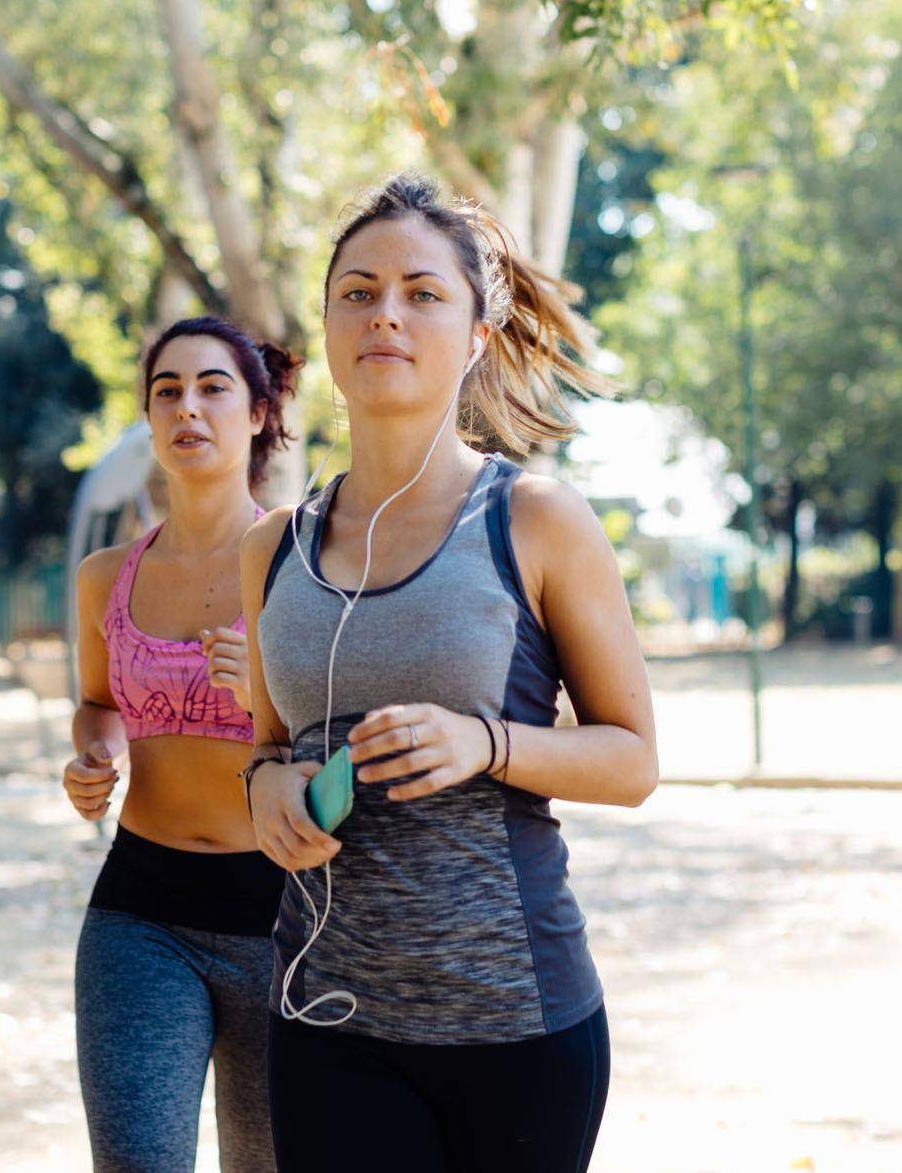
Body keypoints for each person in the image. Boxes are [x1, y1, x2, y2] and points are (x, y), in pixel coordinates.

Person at [238, 174, 659, 1173]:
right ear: (330, 324)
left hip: (517, 1024)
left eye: (423, 292)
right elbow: (262, 746)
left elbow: (634, 760)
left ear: (475, 333)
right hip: (322, 1014)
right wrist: (266, 791)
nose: (387, 312)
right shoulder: (271, 550)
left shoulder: (538, 520)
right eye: (359, 290)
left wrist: (489, 743)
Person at [64, 315, 299, 1173]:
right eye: (167, 391)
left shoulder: (305, 562)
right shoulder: (104, 577)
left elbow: (344, 732)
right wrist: (98, 756)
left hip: (283, 922)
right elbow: (96, 703)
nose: (187, 408)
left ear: (260, 413)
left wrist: (265, 691)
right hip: (140, 912)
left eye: (213, 388)